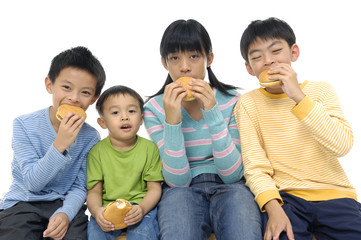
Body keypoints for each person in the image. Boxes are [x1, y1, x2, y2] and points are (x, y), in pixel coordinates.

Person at [235, 17, 361, 240]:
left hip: (336, 195)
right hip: (286, 199)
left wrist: (298, 96)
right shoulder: (248, 103)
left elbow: (342, 145)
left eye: (276, 51)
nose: (268, 61)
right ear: (249, 67)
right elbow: (255, 167)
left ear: (294, 53)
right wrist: (274, 210)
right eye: (257, 57)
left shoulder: (320, 90)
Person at [144, 19, 262, 240]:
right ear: (164, 63)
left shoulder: (233, 101)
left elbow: (232, 175)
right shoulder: (154, 109)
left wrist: (213, 113)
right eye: (175, 58)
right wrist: (172, 122)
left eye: (194, 56)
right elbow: (177, 180)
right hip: (180, 190)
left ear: (209, 58)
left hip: (231, 186)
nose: (185, 66)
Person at [0, 46, 106, 240]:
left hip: (64, 203)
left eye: (85, 92)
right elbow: (32, 183)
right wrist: (60, 144)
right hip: (23, 202)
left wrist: (66, 213)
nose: (73, 98)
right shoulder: (24, 125)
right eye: (66, 87)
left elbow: (80, 186)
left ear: (94, 98)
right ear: (50, 85)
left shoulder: (91, 137)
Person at [86, 85, 163, 240]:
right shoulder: (96, 152)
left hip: (140, 207)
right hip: (107, 208)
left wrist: (141, 209)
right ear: (102, 123)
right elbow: (94, 192)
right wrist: (96, 211)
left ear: (141, 119)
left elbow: (154, 189)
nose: (124, 117)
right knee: (96, 234)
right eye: (115, 112)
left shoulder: (150, 149)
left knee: (143, 234)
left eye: (131, 111)